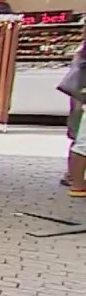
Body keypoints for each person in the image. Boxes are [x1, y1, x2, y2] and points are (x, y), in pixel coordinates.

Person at [60, 30, 86, 195]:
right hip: (81, 96)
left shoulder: (81, 51)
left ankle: (74, 178)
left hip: (80, 95)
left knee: (80, 138)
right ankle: (76, 181)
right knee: (82, 140)